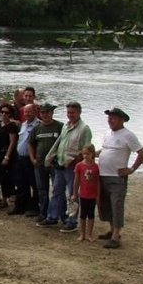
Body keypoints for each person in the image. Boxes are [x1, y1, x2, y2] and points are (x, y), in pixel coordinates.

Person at [96, 107, 143, 249]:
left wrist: (131, 169)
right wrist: (92, 153)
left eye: (113, 118)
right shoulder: (108, 133)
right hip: (103, 175)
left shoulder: (128, 135)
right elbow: (105, 149)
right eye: (109, 118)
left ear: (121, 119)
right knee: (106, 205)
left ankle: (116, 236)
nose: (110, 120)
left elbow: (142, 153)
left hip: (117, 177)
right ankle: (112, 230)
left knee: (116, 205)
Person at [41, 101, 93, 232]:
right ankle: (52, 217)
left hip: (73, 167)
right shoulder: (66, 126)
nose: (70, 115)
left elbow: (86, 150)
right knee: (57, 191)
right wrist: (50, 157)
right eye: (68, 112)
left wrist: (75, 163)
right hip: (60, 165)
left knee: (73, 194)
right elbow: (59, 143)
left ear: (79, 112)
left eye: (73, 112)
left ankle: (72, 221)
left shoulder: (84, 129)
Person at [28, 103, 63, 222]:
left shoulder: (60, 126)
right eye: (43, 112)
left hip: (54, 164)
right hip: (40, 164)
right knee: (42, 190)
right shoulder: (37, 128)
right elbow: (30, 143)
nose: (45, 115)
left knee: (57, 190)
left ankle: (59, 214)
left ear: (52, 113)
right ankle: (43, 213)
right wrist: (32, 158)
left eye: (48, 112)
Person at [9, 103, 40, 216]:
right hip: (20, 158)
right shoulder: (23, 124)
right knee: (21, 183)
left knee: (34, 184)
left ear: (35, 112)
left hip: (31, 159)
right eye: (25, 112)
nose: (27, 114)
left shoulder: (39, 125)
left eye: (29, 111)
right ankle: (20, 206)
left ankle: (34, 207)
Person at [0, 102, 18, 208]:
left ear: (10, 114)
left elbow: (12, 142)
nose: (4, 114)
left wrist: (7, 156)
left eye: (6, 112)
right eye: (2, 112)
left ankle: (5, 199)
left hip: (5, 154)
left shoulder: (12, 126)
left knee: (4, 177)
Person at [71, 144, 101, 243]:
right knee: (82, 215)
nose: (85, 156)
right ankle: (82, 234)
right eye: (84, 154)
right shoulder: (79, 165)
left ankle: (89, 234)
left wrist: (98, 195)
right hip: (83, 194)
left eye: (87, 154)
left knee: (91, 215)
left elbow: (98, 182)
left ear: (92, 154)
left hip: (92, 195)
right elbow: (76, 181)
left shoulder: (96, 167)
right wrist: (75, 194)